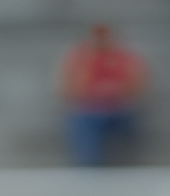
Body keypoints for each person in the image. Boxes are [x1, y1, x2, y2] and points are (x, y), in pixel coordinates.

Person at [59, 24, 147, 167]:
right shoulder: (79, 56)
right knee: (82, 123)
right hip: (89, 111)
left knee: (131, 122)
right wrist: (91, 62)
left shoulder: (124, 55)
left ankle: (126, 167)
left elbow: (137, 86)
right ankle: (90, 168)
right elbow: (71, 91)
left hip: (120, 110)